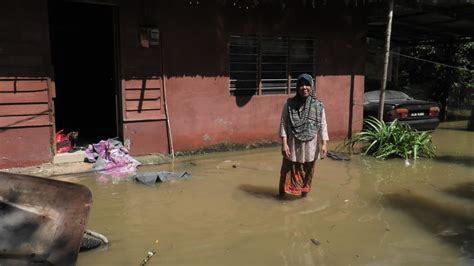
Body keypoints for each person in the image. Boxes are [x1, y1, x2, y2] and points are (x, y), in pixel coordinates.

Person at [278, 73, 329, 199]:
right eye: (301, 85)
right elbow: (283, 123)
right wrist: (284, 144)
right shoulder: (289, 104)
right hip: (293, 145)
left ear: (311, 87)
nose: (304, 87)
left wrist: (324, 145)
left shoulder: (318, 106)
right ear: (297, 88)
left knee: (308, 171)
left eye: (307, 85)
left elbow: (323, 124)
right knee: (287, 171)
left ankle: (303, 198)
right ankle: (282, 198)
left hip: (311, 146)